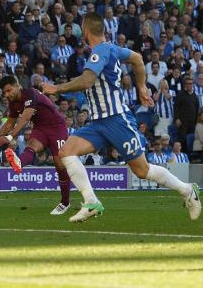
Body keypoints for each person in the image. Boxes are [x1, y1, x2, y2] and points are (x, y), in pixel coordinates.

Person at [41, 12, 200, 222]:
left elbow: (87, 81)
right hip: (98, 122)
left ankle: (188, 190)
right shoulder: (111, 48)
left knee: (142, 170)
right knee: (66, 152)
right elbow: (137, 58)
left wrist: (56, 88)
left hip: (117, 120)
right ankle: (90, 202)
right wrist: (141, 86)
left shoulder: (100, 51)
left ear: (86, 30)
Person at [0, 75, 72, 215]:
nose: (6, 95)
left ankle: (65, 202)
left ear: (17, 86)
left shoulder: (30, 93)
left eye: (8, 90)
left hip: (57, 127)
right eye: (4, 93)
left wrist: (10, 137)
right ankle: (18, 162)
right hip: (41, 127)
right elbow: (9, 123)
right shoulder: (13, 103)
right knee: (31, 146)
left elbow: (25, 119)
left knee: (60, 164)